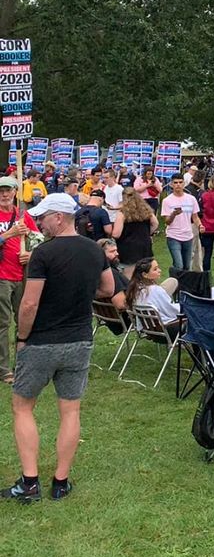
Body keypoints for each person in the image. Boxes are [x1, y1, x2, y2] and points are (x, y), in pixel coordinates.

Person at [7, 193, 118, 502]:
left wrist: (22, 338)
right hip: (79, 340)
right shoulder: (94, 250)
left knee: (22, 406)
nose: (40, 223)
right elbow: (108, 288)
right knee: (70, 410)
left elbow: (29, 304)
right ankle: (61, 482)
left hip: (42, 341)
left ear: (59, 217)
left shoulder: (43, 253)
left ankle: (30, 483)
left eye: (43, 218)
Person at [0, 177, 38, 386]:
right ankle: (3, 369)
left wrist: (31, 254)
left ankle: (22, 363)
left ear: (15, 192)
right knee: (3, 322)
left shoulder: (23, 215)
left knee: (24, 319)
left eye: (8, 190)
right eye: (1, 191)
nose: (4, 195)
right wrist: (8, 234)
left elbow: (38, 241)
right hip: (1, 276)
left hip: (21, 275)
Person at [159, 175, 200, 272]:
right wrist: (173, 214)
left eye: (180, 182)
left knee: (187, 266)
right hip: (173, 236)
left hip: (188, 235)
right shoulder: (167, 201)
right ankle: (175, 280)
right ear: (171, 184)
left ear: (184, 184)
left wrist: (200, 225)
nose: (178, 185)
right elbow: (167, 221)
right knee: (178, 264)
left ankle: (183, 281)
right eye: (175, 183)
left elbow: (195, 217)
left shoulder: (191, 199)